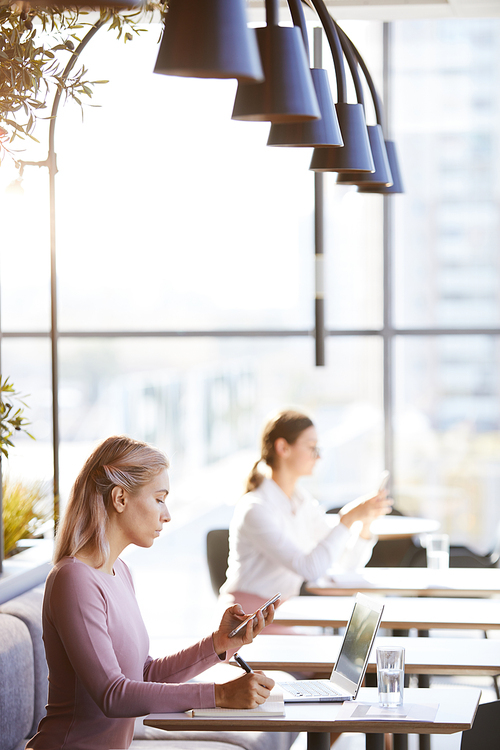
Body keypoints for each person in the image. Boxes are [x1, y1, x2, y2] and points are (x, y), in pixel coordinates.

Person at [26, 435, 277, 750]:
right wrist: (221, 694)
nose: (167, 514)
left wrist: (218, 644)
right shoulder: (73, 579)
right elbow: (113, 695)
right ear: (120, 498)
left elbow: (143, 673)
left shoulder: (120, 573)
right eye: (159, 499)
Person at [220, 410, 392, 631]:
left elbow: (345, 564)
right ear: (283, 448)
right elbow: (310, 569)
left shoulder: (302, 502)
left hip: (278, 614)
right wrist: (347, 520)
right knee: (324, 661)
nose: (318, 456)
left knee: (328, 656)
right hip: (244, 621)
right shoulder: (255, 509)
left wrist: (364, 522)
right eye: (312, 447)